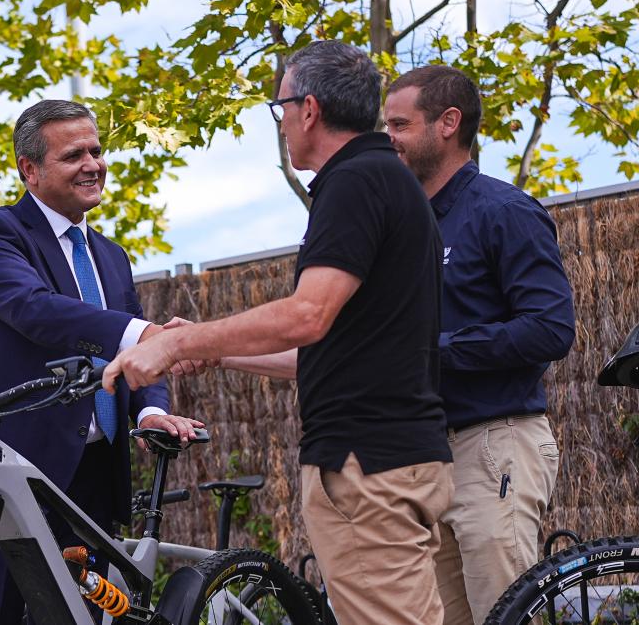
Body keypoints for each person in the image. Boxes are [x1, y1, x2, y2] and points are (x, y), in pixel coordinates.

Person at [103, 40, 454, 625]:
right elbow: (327, 346)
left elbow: (307, 314)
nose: (282, 123)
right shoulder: (387, 182)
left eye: (280, 108)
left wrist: (175, 343)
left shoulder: (355, 182)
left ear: (309, 109)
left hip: (365, 463)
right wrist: (220, 354)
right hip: (397, 454)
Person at [0, 99, 203, 625]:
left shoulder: (113, 256)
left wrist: (149, 411)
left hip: (93, 477)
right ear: (30, 169)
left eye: (97, 150)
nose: (93, 164)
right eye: (75, 155)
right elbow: (34, 311)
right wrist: (150, 335)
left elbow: (130, 354)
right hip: (5, 468)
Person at [383, 65, 576, 624]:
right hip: (424, 456)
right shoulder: (407, 225)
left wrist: (435, 351)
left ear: (448, 123)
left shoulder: (505, 211)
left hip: (495, 446)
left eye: (400, 123)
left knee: (506, 615)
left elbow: (550, 328)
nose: (387, 137)